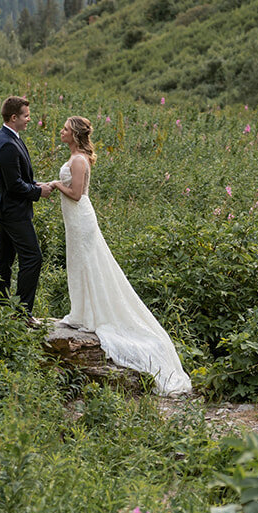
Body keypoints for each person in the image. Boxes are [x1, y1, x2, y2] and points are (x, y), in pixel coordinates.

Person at [48, 114, 191, 395]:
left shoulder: (77, 160)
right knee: (80, 265)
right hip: (76, 220)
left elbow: (76, 194)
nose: (61, 132)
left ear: (74, 134)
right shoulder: (78, 157)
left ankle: (89, 314)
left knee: (87, 265)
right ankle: (83, 311)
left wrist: (55, 184)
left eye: (65, 129)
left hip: (80, 219)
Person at [0, 94, 54, 325]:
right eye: (26, 116)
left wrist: (34, 184)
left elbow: (16, 178)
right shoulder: (8, 143)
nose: (30, 119)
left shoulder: (5, 136)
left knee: (3, 260)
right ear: (14, 117)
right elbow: (14, 185)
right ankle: (22, 313)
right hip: (14, 212)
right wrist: (38, 192)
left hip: (6, 209)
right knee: (32, 258)